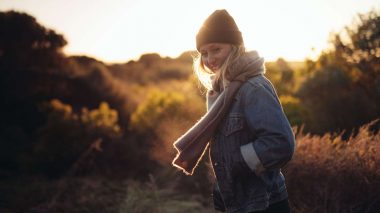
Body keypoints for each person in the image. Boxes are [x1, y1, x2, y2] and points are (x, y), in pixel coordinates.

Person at [172, 9, 295, 213]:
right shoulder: (219, 91)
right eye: (204, 53)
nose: (209, 59)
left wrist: (235, 163)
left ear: (235, 47)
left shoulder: (253, 87)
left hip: (262, 203)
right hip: (229, 200)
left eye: (216, 49)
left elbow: (280, 143)